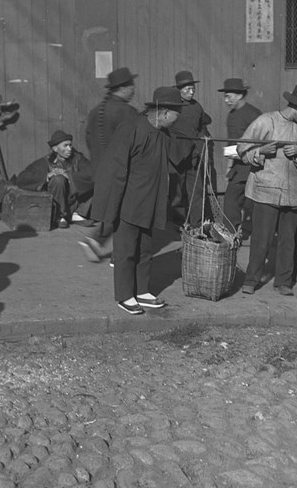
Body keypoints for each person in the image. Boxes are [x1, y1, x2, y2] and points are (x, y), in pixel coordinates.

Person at [90, 86, 188, 315]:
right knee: (126, 250)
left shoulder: (162, 134)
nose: (177, 119)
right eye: (176, 114)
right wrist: (110, 206)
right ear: (164, 112)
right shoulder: (132, 128)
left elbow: (175, 159)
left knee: (145, 249)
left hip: (150, 202)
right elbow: (114, 167)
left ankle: (142, 290)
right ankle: (125, 295)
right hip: (128, 202)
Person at [237, 83, 297, 296]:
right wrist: (261, 150)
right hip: (266, 191)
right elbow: (241, 148)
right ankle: (251, 280)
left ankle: (283, 281)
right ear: (296, 106)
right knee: (261, 240)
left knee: (288, 241)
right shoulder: (266, 121)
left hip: (293, 192)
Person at [79, 67, 139, 263]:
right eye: (131, 85)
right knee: (126, 214)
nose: (134, 89)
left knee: (115, 211)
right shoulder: (128, 112)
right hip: (121, 172)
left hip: (100, 171)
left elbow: (89, 139)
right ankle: (114, 252)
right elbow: (135, 144)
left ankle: (99, 242)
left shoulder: (97, 111)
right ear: (122, 88)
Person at [16, 130, 94, 229]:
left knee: (96, 178)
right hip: (58, 205)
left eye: (70, 145)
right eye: (65, 146)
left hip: (76, 202)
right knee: (58, 179)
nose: (69, 149)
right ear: (55, 149)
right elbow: (22, 179)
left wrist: (70, 176)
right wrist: (47, 176)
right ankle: (60, 216)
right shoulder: (45, 162)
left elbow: (92, 173)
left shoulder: (78, 159)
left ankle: (78, 214)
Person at [168, 70, 213, 227]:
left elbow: (202, 125)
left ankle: (197, 223)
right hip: (176, 156)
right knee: (177, 193)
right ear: (179, 90)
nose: (191, 91)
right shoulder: (172, 106)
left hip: (194, 156)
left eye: (193, 88)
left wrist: (204, 137)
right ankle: (180, 224)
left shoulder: (196, 106)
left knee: (197, 190)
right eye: (187, 89)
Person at [218, 77, 262, 239]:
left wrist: (230, 165)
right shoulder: (247, 113)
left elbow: (236, 146)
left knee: (231, 201)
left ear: (239, 95)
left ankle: (230, 234)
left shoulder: (246, 115)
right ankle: (243, 231)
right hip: (246, 166)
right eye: (225, 96)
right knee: (247, 202)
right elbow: (232, 144)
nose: (226, 100)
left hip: (248, 166)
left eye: (228, 96)